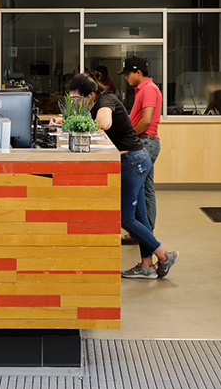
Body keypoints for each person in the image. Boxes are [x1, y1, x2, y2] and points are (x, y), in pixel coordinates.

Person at [64, 72, 179, 280]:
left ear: (90, 94)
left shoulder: (105, 101)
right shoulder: (101, 100)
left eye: (79, 99)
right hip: (137, 158)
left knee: (125, 217)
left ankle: (164, 255)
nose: (77, 104)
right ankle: (146, 265)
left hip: (132, 162)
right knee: (140, 218)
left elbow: (104, 123)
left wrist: (85, 122)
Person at [123, 57, 162, 229]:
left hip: (145, 142)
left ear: (138, 73)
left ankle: (144, 231)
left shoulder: (149, 89)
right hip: (144, 142)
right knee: (145, 188)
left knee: (139, 189)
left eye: (128, 74)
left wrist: (129, 137)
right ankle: (145, 230)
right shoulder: (142, 89)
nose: (126, 78)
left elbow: (146, 121)